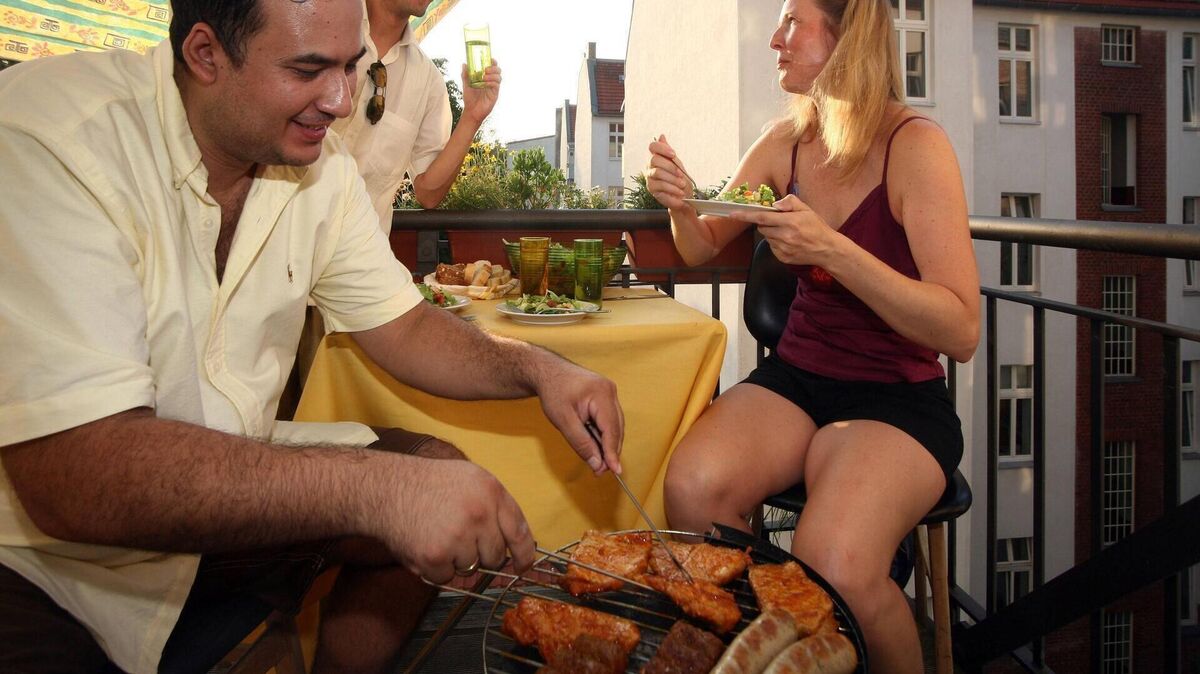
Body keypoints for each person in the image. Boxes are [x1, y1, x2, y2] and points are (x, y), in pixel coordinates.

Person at [0, 1, 622, 673]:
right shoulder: (53, 132)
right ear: (205, 54)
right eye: (309, 69)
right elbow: (76, 474)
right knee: (397, 488)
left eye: (352, 66)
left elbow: (407, 326)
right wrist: (378, 491)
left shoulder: (321, 168)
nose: (341, 100)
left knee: (433, 470)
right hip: (38, 564)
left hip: (207, 503)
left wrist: (538, 369)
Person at [646, 0, 979, 671]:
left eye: (793, 22)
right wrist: (682, 205)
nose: (775, 39)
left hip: (898, 399)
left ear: (847, 37)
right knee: (692, 488)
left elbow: (962, 328)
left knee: (834, 561)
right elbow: (702, 245)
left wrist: (834, 251)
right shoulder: (784, 143)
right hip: (798, 378)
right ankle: (764, 652)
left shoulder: (916, 146)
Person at [335, 0, 501, 229]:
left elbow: (429, 193)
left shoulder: (427, 81)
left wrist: (472, 116)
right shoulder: (321, 27)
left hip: (360, 257)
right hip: (280, 249)